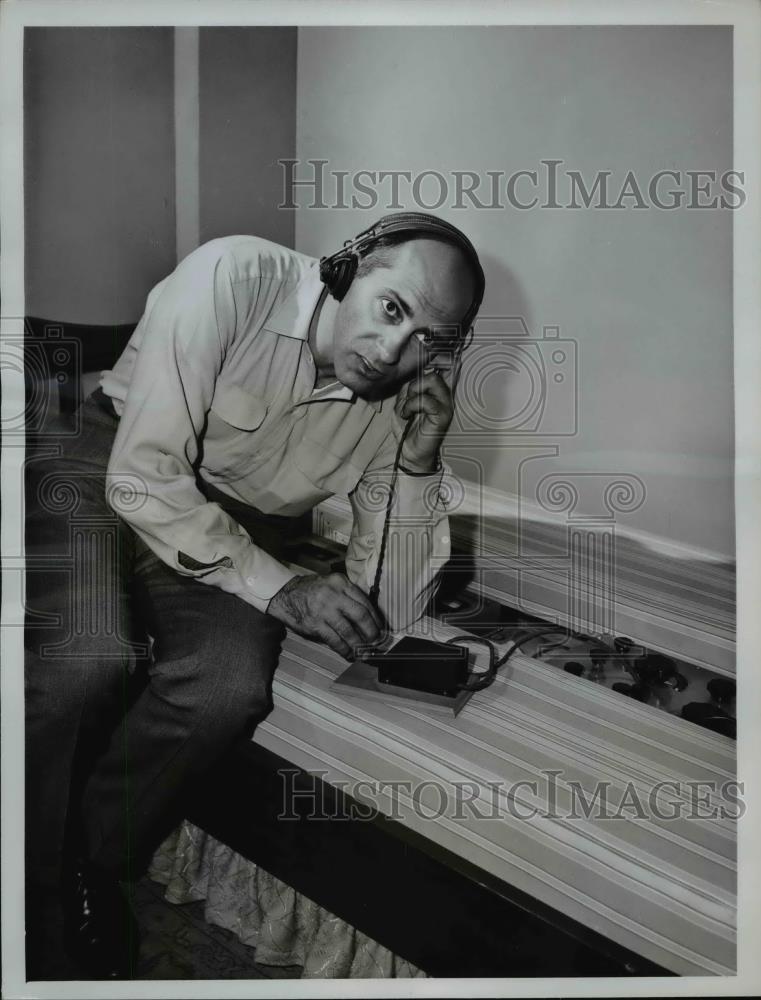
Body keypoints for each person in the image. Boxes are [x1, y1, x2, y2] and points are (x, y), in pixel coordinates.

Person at [24, 212, 485, 979]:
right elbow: (144, 477)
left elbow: (390, 607)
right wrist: (284, 590)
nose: (393, 353)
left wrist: (417, 461)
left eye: (429, 341)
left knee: (226, 691)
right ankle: (25, 884)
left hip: (241, 525)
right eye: (392, 310)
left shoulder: (397, 402)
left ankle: (89, 860)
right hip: (114, 460)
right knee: (86, 663)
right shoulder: (229, 278)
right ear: (347, 266)